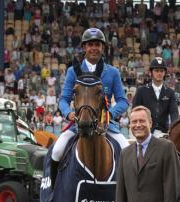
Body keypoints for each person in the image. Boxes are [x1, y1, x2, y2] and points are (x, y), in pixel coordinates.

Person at [51, 28, 129, 182]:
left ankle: (129, 197)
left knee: (127, 151)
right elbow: (64, 99)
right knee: (57, 150)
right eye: (90, 44)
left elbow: (123, 100)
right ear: (84, 47)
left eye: (97, 45)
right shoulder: (73, 71)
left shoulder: (112, 72)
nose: (94, 48)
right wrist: (68, 113)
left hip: (105, 125)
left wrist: (110, 114)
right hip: (80, 123)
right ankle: (53, 190)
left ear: (102, 48)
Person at [132, 57, 178, 138]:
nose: (159, 73)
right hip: (145, 131)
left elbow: (174, 113)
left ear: (165, 73)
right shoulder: (141, 91)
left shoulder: (170, 92)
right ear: (150, 72)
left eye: (161, 71)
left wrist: (172, 129)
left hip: (164, 132)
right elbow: (135, 111)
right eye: (156, 71)